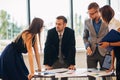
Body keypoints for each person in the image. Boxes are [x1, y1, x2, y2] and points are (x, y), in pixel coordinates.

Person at [83, 2, 110, 80]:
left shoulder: (107, 22)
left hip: (106, 53)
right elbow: (85, 37)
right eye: (88, 13)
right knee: (91, 77)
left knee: (107, 77)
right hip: (91, 53)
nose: (89, 15)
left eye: (91, 13)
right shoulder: (87, 22)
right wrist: (87, 47)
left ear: (98, 12)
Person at [43, 15, 76, 80]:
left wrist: (72, 64)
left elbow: (72, 48)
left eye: (59, 24)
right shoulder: (51, 32)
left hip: (65, 61)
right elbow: (47, 48)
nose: (57, 26)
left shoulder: (70, 32)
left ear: (64, 25)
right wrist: (46, 64)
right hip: (53, 61)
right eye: (56, 24)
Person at [99, 5, 120, 80]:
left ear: (105, 16)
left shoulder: (116, 24)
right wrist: (111, 65)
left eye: (101, 16)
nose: (101, 18)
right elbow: (113, 48)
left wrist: (108, 44)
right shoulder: (110, 25)